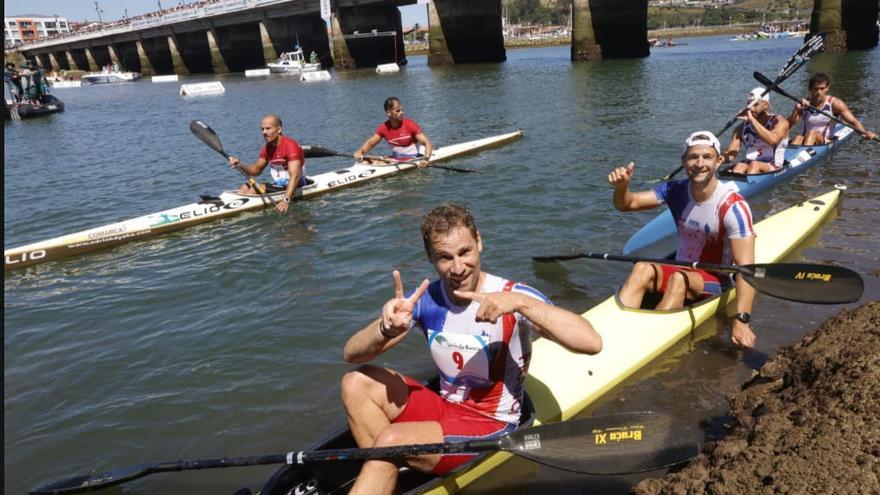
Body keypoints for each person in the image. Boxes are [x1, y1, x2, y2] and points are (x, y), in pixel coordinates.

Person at [340, 204, 602, 495]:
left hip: (493, 424)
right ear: (430, 258)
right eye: (444, 257)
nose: (458, 268)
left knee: (390, 440)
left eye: (465, 252)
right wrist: (385, 329)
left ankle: (387, 463)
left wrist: (521, 304)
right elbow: (351, 353)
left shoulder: (513, 295)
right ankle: (391, 472)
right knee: (355, 383)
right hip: (445, 407)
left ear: (479, 241)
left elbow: (591, 342)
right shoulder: (426, 300)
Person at [608, 131, 757, 348]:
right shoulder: (674, 190)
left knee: (679, 279)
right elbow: (626, 204)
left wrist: (742, 319)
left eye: (707, 157)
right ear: (684, 162)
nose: (699, 163)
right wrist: (622, 188)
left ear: (719, 161)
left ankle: (645, 343)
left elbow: (747, 268)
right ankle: (618, 328)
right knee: (641, 268)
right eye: (693, 157)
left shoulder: (733, 207)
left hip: (718, 279)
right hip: (682, 266)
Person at [227, 114, 305, 213]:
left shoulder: (290, 146)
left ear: (279, 129)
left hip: (296, 184)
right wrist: (240, 165)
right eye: (262, 129)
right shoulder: (267, 147)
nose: (264, 132)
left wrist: (286, 200)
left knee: (255, 189)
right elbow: (256, 170)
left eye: (268, 129)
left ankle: (242, 213)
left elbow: (295, 176)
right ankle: (233, 208)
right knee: (245, 186)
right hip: (279, 184)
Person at [787, 72, 877, 145]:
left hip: (824, 141)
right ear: (810, 89)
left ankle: (805, 160)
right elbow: (788, 125)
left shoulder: (835, 103)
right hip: (806, 139)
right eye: (816, 89)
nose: (819, 92)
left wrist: (864, 133)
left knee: (812, 133)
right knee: (798, 137)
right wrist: (797, 109)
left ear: (827, 88)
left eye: (822, 88)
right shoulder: (804, 103)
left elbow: (854, 122)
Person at [723, 88, 789, 175]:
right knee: (740, 165)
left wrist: (751, 120)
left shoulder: (780, 122)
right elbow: (731, 154)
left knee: (755, 165)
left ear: (766, 105)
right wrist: (717, 158)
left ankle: (749, 182)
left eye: (755, 104)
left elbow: (772, 140)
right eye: (749, 104)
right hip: (749, 164)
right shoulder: (740, 129)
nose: (751, 109)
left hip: (773, 166)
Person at [354, 97, 434, 168]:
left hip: (412, 158)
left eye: (402, 110)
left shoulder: (410, 125)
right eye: (398, 110)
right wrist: (360, 151)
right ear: (389, 113)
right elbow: (370, 143)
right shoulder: (383, 128)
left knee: (376, 162)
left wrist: (426, 159)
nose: (401, 112)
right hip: (396, 158)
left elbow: (427, 143)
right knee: (365, 160)